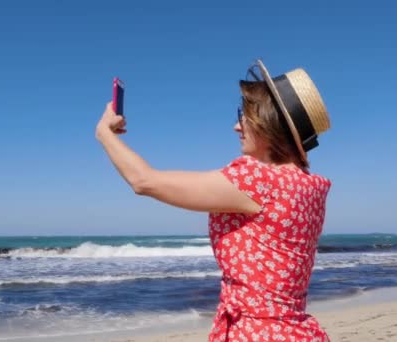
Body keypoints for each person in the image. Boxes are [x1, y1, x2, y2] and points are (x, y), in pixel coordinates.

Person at [96, 59, 332, 342]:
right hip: (295, 330)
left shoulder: (257, 181)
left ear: (268, 123)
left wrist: (104, 135)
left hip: (256, 334)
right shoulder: (309, 186)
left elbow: (144, 181)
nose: (236, 126)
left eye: (243, 116)